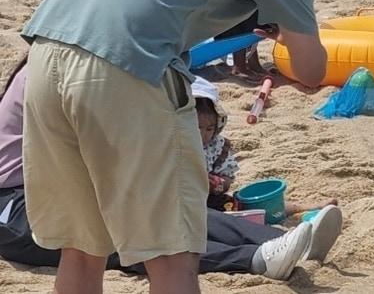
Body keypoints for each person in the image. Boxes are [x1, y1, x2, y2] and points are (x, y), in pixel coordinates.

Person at [18, 0, 348, 289]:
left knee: (82, 250)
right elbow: (310, 70)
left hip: (47, 57)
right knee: (173, 257)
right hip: (127, 70)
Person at [0, 61, 342, 280]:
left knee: (166, 211)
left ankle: (281, 242)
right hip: (15, 206)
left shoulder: (75, 62)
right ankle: (253, 257)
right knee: (126, 241)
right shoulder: (63, 70)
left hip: (57, 186)